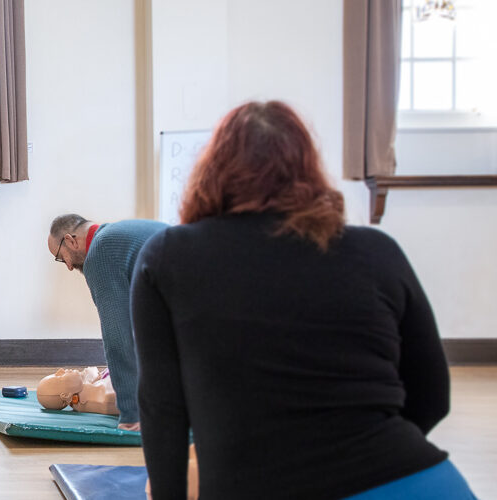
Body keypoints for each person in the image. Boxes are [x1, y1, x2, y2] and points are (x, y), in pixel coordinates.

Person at [131, 100, 474, 499]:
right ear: (308, 170)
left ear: (211, 172)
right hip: (419, 481)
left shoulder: (168, 256)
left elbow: (162, 411)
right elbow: (433, 395)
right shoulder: (377, 250)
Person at [47, 215, 166, 431]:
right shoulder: (116, 235)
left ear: (70, 240)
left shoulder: (100, 252)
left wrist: (131, 415)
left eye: (61, 257)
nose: (69, 267)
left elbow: (117, 336)